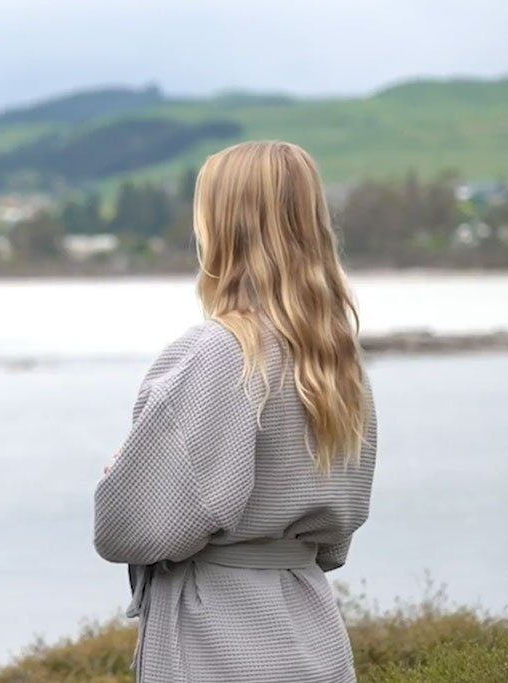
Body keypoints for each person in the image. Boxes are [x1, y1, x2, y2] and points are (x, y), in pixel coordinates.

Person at [94, 140, 378, 683]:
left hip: (219, 635)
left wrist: (124, 480)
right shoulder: (336, 358)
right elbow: (334, 540)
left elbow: (129, 531)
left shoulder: (217, 352)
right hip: (311, 627)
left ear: (223, 226)